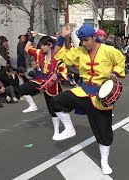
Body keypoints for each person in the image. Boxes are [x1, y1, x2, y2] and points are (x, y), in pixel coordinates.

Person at [53, 24, 125, 175]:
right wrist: (63, 37)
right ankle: (69, 128)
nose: (84, 43)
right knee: (57, 102)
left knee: (103, 132)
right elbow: (58, 55)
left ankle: (104, 161)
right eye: (81, 40)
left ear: (94, 37)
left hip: (101, 95)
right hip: (83, 91)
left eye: (86, 40)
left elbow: (120, 60)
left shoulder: (108, 50)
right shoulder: (79, 51)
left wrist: (116, 74)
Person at [20, 32, 67, 139]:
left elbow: (64, 72)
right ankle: (33, 105)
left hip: (53, 85)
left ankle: (57, 130)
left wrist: (57, 75)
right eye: (40, 45)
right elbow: (27, 48)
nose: (41, 47)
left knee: (54, 109)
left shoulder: (57, 56)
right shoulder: (39, 53)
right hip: (40, 80)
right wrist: (32, 37)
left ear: (50, 45)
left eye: (43, 45)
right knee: (23, 88)